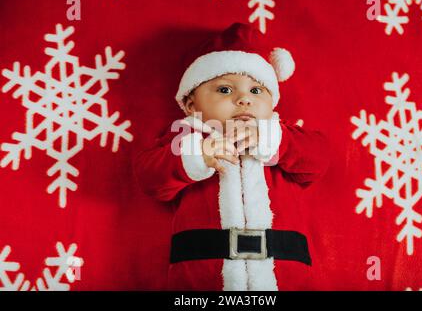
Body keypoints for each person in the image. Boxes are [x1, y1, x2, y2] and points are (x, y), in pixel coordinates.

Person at [134, 22, 331, 290]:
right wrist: (196, 156)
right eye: (225, 90)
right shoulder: (185, 138)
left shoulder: (282, 135)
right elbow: (149, 177)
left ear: (272, 101)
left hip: (286, 275)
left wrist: (274, 140)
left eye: (256, 90)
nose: (243, 99)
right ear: (192, 105)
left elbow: (319, 159)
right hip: (203, 275)